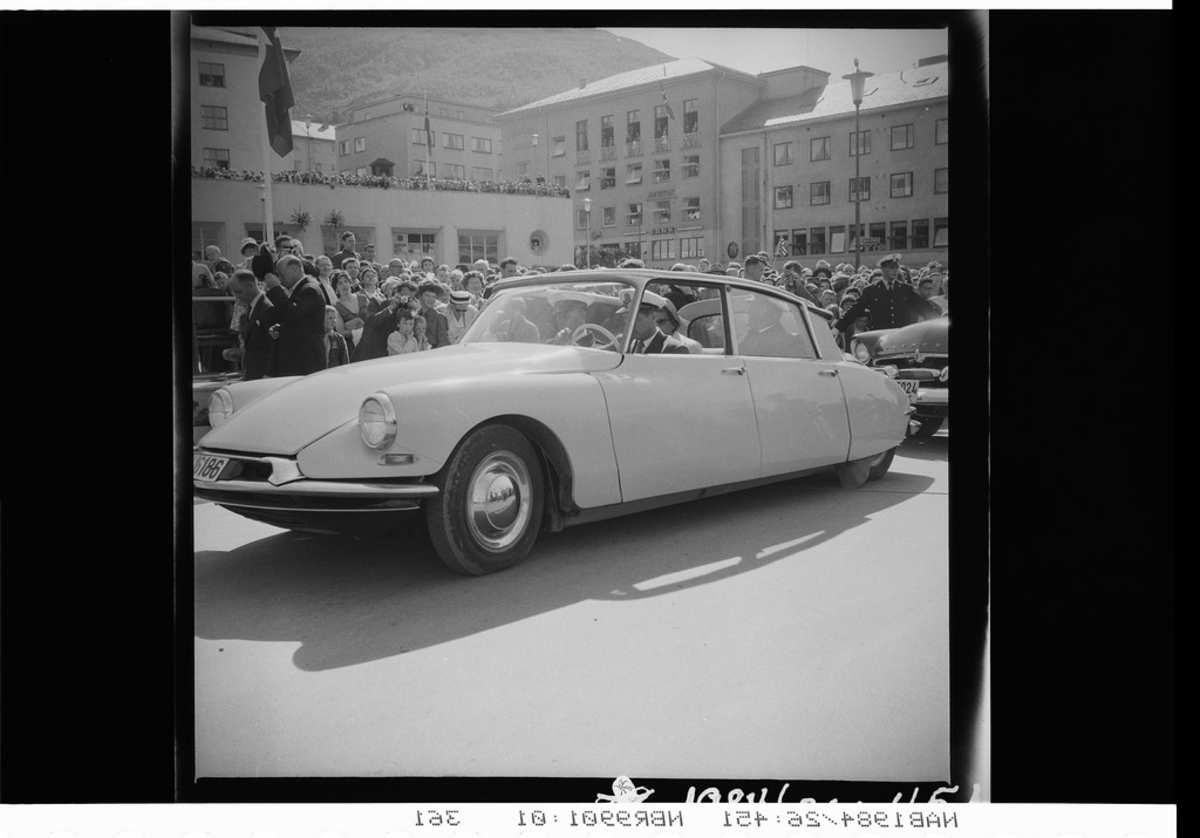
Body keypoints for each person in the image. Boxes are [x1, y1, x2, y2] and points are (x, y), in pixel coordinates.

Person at [835, 254, 942, 336]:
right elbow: (856, 309)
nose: (895, 271)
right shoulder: (872, 290)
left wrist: (940, 319)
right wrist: (838, 328)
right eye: (891, 268)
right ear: (882, 269)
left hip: (903, 337)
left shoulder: (905, 289)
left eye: (897, 268)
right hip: (880, 337)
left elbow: (923, 307)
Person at [264, 254, 327, 376]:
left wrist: (276, 288)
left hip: (305, 360)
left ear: (294, 270)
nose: (280, 278)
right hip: (296, 358)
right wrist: (281, 327)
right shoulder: (299, 289)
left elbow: (292, 313)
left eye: (281, 274)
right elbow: (299, 320)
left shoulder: (310, 289)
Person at [225, 269, 275, 380]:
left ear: (250, 285)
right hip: (252, 372)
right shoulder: (248, 307)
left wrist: (269, 374)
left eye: (239, 292)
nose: (237, 297)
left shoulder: (267, 308)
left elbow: (274, 346)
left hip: (263, 375)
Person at [623, 291, 689, 354]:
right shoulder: (629, 345)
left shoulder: (674, 349)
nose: (630, 325)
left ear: (653, 317)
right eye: (626, 319)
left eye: (636, 319)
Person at [416, 280, 450, 348]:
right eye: (428, 296)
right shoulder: (416, 315)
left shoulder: (439, 316)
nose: (431, 299)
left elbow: (443, 342)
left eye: (433, 297)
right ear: (420, 297)